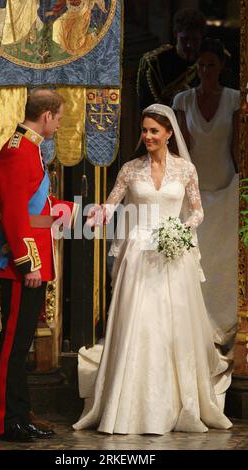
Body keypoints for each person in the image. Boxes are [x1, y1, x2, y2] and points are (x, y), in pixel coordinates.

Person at [73, 103, 232, 435]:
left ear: (169, 134)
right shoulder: (131, 170)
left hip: (173, 254)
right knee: (140, 324)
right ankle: (129, 405)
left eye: (154, 131)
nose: (147, 136)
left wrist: (182, 228)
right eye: (144, 130)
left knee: (172, 325)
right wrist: (96, 213)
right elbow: (113, 202)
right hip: (140, 254)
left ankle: (178, 403)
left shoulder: (186, 170)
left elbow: (198, 211)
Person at [0, 88, 64, 442]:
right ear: (47, 115)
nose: (59, 125)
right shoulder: (19, 151)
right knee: (13, 346)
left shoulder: (31, 148)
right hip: (21, 268)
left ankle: (20, 416)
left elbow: (37, 208)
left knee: (21, 345)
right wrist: (27, 263)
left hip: (32, 263)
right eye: (59, 118)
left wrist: (73, 213)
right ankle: (6, 420)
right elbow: (15, 213)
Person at [172, 38, 240, 398]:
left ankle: (224, 322)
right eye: (200, 66)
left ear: (221, 68)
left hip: (226, 185)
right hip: (195, 185)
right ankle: (197, 322)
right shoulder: (183, 100)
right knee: (197, 255)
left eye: (211, 66)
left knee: (222, 257)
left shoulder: (233, 99)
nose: (205, 71)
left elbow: (236, 144)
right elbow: (182, 146)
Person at [137, 8, 206, 110]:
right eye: (185, 39)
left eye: (195, 40)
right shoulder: (156, 63)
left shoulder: (210, 60)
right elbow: (146, 104)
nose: (189, 45)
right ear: (175, 34)